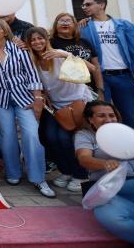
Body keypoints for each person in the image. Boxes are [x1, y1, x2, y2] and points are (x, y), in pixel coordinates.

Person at [0, 19, 54, 198]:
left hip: (24, 97)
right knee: (6, 136)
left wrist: (38, 97)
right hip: (0, 99)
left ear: (5, 31)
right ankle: (13, 173)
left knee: (31, 134)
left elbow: (31, 74)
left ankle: (38, 178)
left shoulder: (20, 50)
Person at [27, 27, 91, 192]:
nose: (37, 42)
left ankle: (80, 174)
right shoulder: (31, 60)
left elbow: (92, 68)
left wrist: (66, 55)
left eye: (40, 38)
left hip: (76, 102)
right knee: (49, 137)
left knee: (64, 138)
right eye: (33, 40)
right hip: (55, 106)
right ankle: (66, 171)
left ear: (46, 39)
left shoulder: (59, 53)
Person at [75, 100, 134, 247]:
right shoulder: (85, 136)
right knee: (108, 215)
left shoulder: (133, 133)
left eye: (111, 115)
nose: (108, 119)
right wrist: (104, 164)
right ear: (90, 119)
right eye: (101, 115)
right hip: (116, 193)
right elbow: (84, 158)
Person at [80, 0, 134, 129]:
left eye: (88, 4)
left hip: (124, 76)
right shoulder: (84, 27)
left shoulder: (124, 25)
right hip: (99, 77)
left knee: (129, 116)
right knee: (100, 116)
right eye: (83, 5)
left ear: (102, 5)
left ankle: (133, 147)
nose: (84, 7)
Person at [50, 12, 103, 98]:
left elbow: (96, 66)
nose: (65, 23)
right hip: (69, 91)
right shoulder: (50, 43)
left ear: (75, 25)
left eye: (68, 21)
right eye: (61, 21)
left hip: (91, 86)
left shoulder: (84, 41)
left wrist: (100, 89)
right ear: (56, 25)